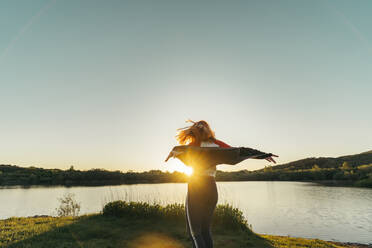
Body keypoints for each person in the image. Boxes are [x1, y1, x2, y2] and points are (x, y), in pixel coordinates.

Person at [165, 120, 278, 248]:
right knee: (205, 231)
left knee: (195, 233)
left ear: (194, 131)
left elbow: (177, 150)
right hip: (211, 188)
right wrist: (262, 155)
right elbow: (238, 152)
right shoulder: (217, 145)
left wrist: (173, 153)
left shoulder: (192, 146)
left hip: (196, 186)